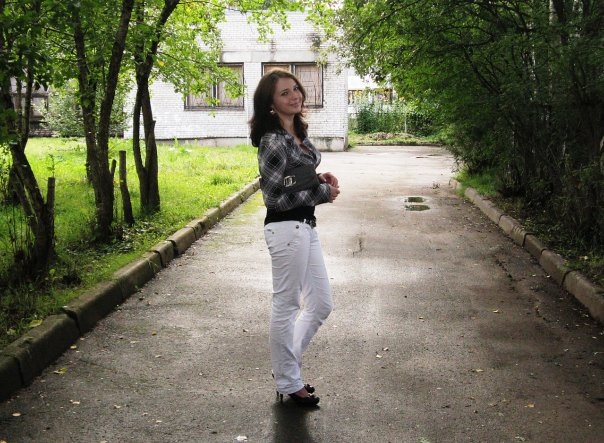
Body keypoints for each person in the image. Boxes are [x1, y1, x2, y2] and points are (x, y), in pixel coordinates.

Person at [249, 68, 340, 406]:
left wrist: (318, 178)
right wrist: (322, 193)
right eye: (284, 93)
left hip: (304, 225)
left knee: (321, 304)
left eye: (296, 89)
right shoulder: (272, 140)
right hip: (286, 228)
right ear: (271, 104)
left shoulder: (296, 133)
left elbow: (295, 178)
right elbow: (273, 198)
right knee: (287, 305)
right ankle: (289, 380)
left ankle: (287, 370)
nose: (294, 96)